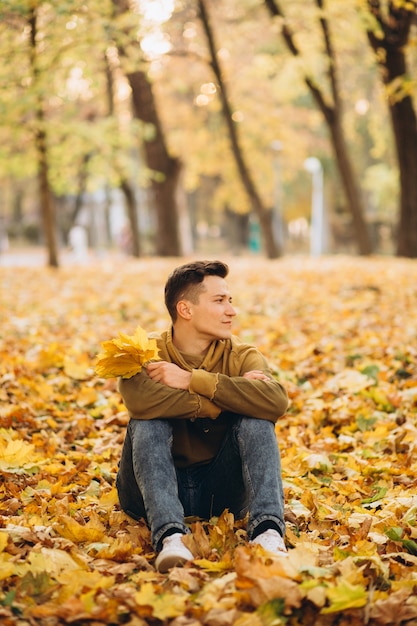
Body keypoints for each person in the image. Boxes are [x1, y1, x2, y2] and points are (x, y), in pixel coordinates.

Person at [116, 260, 288, 572]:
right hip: (147, 492)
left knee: (257, 419)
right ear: (186, 310)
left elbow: (274, 401)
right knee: (146, 422)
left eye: (230, 301)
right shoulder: (145, 352)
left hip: (220, 492)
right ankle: (169, 536)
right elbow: (138, 400)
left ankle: (267, 532)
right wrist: (218, 403)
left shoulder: (243, 355)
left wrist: (191, 380)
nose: (231, 310)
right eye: (220, 301)